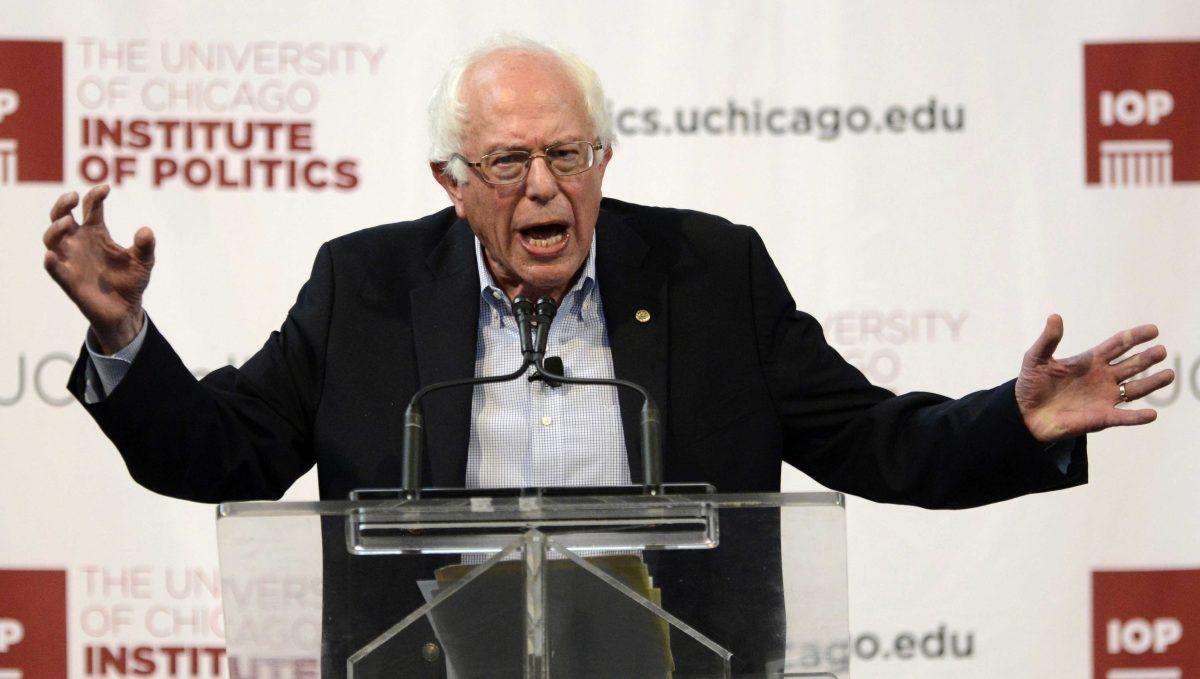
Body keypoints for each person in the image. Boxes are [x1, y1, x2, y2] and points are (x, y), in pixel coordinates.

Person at [42, 36, 1174, 674]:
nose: (544, 187)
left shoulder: (711, 275)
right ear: (449, 180)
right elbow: (223, 454)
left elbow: (872, 440)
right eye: (507, 163)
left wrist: (1014, 421)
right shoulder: (366, 287)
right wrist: (121, 336)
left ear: (604, 155)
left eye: (569, 154)